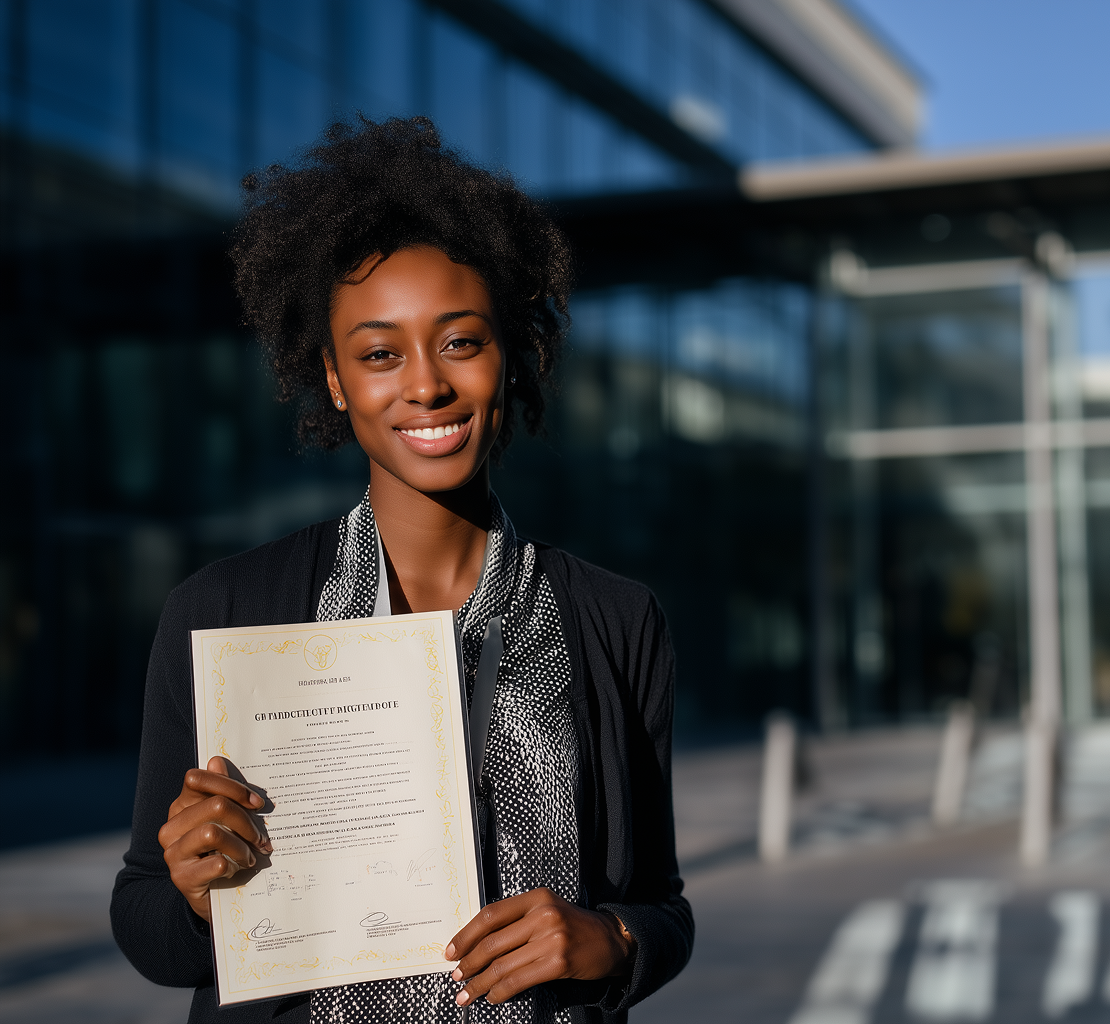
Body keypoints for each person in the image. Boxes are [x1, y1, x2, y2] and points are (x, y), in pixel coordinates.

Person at [111, 115, 692, 1024]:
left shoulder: (618, 619)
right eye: (380, 354)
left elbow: (662, 904)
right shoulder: (222, 610)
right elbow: (144, 917)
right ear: (336, 379)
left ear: (512, 354)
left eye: (461, 341)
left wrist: (613, 941)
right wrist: (193, 893)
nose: (425, 385)